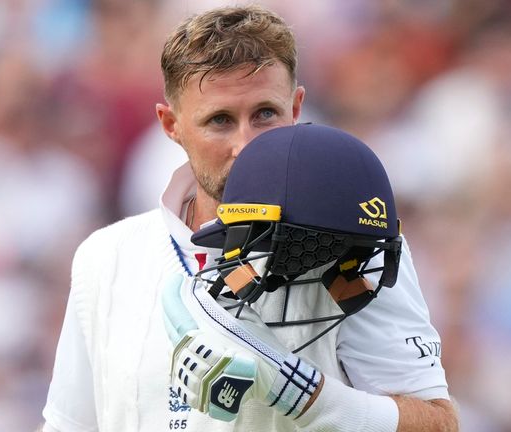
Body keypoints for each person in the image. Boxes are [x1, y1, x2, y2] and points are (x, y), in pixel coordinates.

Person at [41, 5, 457, 432]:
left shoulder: (351, 245)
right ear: (171, 125)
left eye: (265, 114)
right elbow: (68, 425)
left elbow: (437, 425)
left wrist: (303, 394)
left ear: (296, 108)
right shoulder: (106, 257)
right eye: (220, 120)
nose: (246, 145)